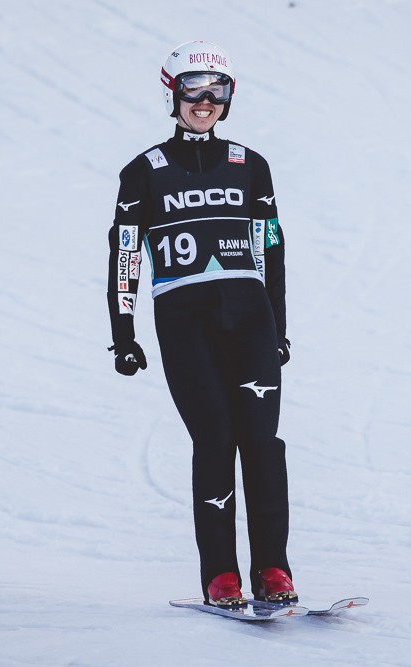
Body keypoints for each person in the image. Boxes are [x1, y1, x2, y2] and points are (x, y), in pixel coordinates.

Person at [105, 41, 296, 608]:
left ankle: (274, 570)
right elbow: (125, 253)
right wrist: (123, 334)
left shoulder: (250, 164)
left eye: (218, 90)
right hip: (185, 323)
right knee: (214, 439)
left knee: (261, 442)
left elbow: (271, 248)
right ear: (173, 92)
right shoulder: (143, 172)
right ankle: (220, 576)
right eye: (193, 88)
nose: (206, 101)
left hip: (250, 319)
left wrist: (278, 327)